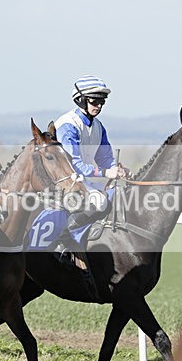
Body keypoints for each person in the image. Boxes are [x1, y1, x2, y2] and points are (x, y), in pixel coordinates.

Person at [50, 75, 127, 263]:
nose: (99, 106)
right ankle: (63, 239)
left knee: (121, 194)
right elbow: (73, 163)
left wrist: (116, 169)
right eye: (95, 101)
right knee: (100, 202)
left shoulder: (99, 126)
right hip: (66, 181)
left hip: (84, 181)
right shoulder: (68, 125)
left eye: (102, 102)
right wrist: (104, 173)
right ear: (81, 100)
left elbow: (105, 158)